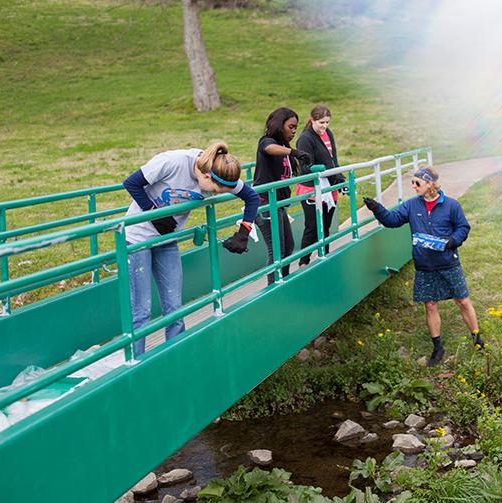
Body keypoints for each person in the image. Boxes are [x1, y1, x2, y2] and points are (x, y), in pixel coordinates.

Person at [122, 141, 260, 356]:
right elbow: (131, 183)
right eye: (214, 191)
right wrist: (154, 212)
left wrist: (244, 232)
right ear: (206, 176)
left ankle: (178, 356)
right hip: (138, 239)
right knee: (142, 310)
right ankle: (134, 364)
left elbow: (251, 197)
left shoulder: (219, 171)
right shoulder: (172, 162)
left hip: (167, 241)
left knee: (175, 307)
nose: (214, 195)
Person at [363, 166, 483, 367]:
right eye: (413, 182)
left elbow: (463, 228)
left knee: (462, 301)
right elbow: (392, 221)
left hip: (448, 262)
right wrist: (376, 208)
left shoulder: (452, 206)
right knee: (430, 304)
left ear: (431, 184)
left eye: (417, 183)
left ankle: (477, 340)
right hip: (424, 265)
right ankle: (438, 348)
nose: (413, 186)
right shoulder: (411, 206)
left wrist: (451, 241)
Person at [253, 107, 313, 284]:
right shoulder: (267, 141)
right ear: (280, 125)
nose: (294, 131)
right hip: (265, 203)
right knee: (277, 251)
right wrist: (294, 152)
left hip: (278, 204)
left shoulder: (284, 147)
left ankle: (283, 282)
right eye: (291, 127)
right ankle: (274, 288)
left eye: (296, 127)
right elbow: (269, 148)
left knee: (288, 247)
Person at [295, 104, 345, 266]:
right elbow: (304, 166)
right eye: (321, 123)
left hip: (329, 186)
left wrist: (341, 179)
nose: (324, 126)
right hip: (312, 188)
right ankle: (304, 261)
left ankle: (325, 257)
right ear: (312, 120)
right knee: (313, 226)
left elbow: (333, 160)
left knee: (326, 225)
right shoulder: (305, 138)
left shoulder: (327, 133)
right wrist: (316, 169)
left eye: (327, 122)